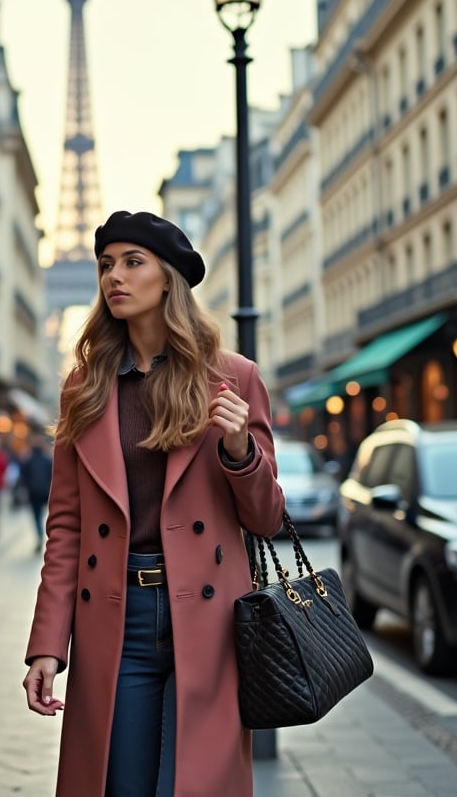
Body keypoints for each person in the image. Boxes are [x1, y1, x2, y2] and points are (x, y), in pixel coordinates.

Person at [22, 210, 285, 797]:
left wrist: (240, 449)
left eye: (132, 262)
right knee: (122, 784)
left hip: (211, 618)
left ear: (168, 279)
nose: (114, 276)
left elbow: (266, 518)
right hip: (115, 614)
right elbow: (65, 528)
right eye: (106, 265)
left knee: (192, 784)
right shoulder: (84, 387)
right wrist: (46, 647)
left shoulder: (234, 378)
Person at [17, 432, 54, 553]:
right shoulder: (47, 459)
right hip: (44, 492)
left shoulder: (29, 460)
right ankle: (44, 536)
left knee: (37, 516)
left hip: (34, 492)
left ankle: (40, 536)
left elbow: (23, 476)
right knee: (46, 516)